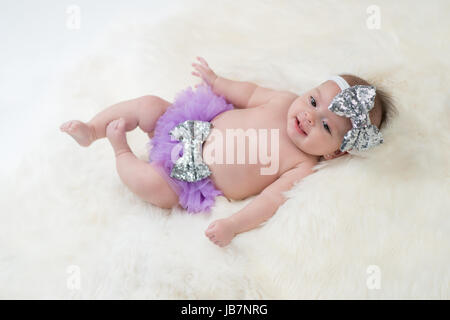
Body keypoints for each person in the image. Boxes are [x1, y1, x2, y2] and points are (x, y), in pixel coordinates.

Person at [60, 57, 394, 247]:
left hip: (191, 176)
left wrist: (233, 225)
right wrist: (216, 81)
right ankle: (91, 130)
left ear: (335, 153)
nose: (310, 115)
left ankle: (121, 153)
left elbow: (268, 203)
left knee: (153, 186)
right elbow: (248, 93)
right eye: (312, 100)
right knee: (148, 105)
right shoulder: (281, 100)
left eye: (326, 126)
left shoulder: (302, 165)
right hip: (190, 122)